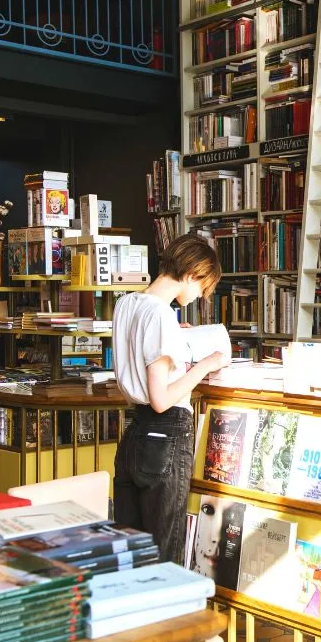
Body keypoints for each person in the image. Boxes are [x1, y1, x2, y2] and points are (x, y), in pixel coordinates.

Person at [112, 234, 228, 564]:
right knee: (166, 554)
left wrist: (177, 337)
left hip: (134, 433)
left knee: (131, 551)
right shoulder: (162, 316)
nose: (196, 297)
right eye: (201, 288)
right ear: (192, 273)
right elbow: (161, 398)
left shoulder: (126, 304)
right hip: (166, 433)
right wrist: (206, 365)